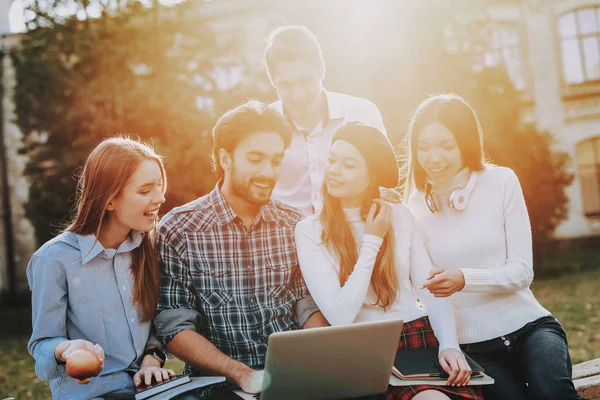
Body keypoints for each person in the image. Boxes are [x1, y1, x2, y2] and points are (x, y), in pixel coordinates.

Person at [404, 94, 582, 400]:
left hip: (530, 329)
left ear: (467, 143)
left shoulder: (501, 181)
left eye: (447, 146)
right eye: (424, 147)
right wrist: (449, 345)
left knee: (552, 392)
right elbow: (428, 293)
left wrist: (464, 278)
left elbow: (522, 272)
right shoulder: (415, 207)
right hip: (475, 349)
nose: (434, 157)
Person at [295, 121, 483, 400]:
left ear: (370, 176)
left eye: (349, 165)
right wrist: (372, 241)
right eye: (332, 159)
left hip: (417, 341)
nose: (333, 171)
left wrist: (449, 344)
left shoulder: (400, 216)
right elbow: (340, 317)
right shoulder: (310, 230)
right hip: (363, 351)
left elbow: (431, 289)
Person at [154, 101, 328, 396]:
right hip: (219, 385)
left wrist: (327, 351)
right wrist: (241, 374)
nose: (268, 172)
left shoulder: (294, 225)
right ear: (225, 158)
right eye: (255, 158)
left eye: (275, 160)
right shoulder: (179, 230)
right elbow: (175, 329)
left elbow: (305, 306)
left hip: (292, 378)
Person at [27, 137, 176, 399]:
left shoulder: (150, 248)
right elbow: (41, 343)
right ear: (108, 200)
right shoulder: (54, 260)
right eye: (145, 191)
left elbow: (158, 321)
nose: (160, 198)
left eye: (159, 187)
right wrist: (68, 349)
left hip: (149, 392)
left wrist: (153, 358)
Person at [265, 25, 399, 216]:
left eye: (305, 81)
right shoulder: (263, 125)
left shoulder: (361, 113)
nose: (298, 95)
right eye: (286, 85)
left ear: (321, 69)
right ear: (272, 80)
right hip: (285, 241)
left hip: (355, 237)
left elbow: (383, 186)